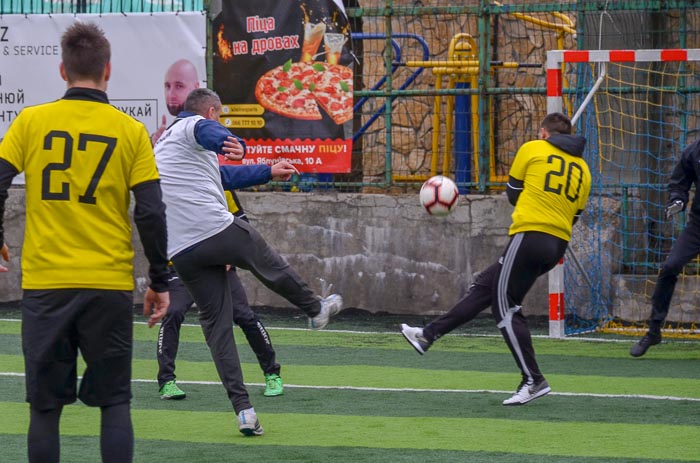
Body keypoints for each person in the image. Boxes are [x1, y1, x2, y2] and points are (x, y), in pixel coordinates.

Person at [0, 22, 170, 463]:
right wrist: (160, 279)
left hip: (46, 284)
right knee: (115, 401)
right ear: (107, 70)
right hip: (107, 284)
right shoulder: (130, 131)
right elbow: (151, 211)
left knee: (45, 407)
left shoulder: (31, 121)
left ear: (62, 70)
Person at [153, 87, 344, 436]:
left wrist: (268, 170)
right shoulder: (193, 126)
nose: (219, 121)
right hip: (211, 229)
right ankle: (315, 309)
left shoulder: (167, 145)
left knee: (216, 327)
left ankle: (244, 411)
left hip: (181, 251)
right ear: (211, 111)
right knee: (264, 259)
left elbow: (223, 177)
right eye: (220, 115)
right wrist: (235, 143)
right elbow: (211, 133)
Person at [401, 112, 591, 406]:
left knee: (507, 308)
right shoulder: (583, 168)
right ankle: (427, 335)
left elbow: (513, 194)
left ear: (544, 133)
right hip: (557, 245)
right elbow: (575, 215)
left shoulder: (532, 148)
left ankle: (533, 379)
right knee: (485, 288)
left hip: (529, 236)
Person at [157, 160, 299, 400]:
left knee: (244, 316)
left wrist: (229, 258)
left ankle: (271, 373)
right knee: (173, 313)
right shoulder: (167, 187)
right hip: (183, 268)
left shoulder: (219, 183)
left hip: (219, 266)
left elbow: (240, 223)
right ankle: (166, 381)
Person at [630, 139, 700, 357]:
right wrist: (677, 200)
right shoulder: (693, 151)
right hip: (698, 224)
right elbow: (679, 183)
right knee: (670, 266)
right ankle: (654, 330)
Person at [151, 59, 200, 145]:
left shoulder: (203, 128)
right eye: (168, 86)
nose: (171, 94)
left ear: (196, 88)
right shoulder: (168, 132)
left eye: (179, 86)